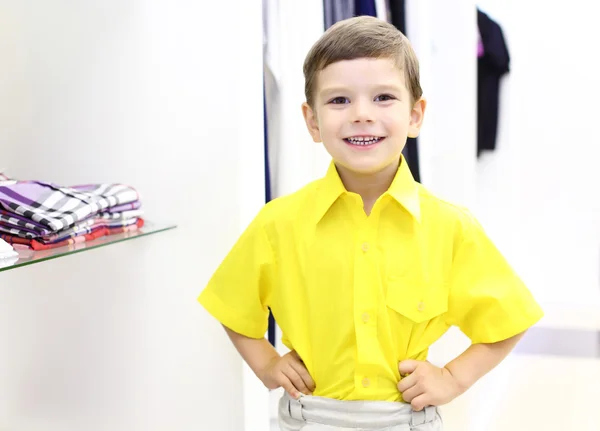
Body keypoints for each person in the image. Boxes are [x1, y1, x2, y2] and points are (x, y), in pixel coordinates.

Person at [198, 15, 543, 431]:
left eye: (383, 97)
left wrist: (452, 378)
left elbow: (509, 321)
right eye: (339, 100)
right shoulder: (279, 223)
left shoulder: (450, 227)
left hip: (406, 419)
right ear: (312, 121)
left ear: (415, 115)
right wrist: (267, 363)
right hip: (311, 417)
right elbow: (231, 305)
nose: (361, 114)